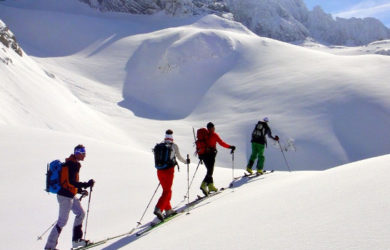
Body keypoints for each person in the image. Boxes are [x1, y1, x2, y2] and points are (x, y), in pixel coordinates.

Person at [45, 145, 95, 250]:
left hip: (69, 195)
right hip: (65, 196)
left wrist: (80, 190)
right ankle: (49, 247)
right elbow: (71, 182)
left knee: (80, 213)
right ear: (77, 153)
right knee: (62, 221)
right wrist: (86, 184)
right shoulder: (72, 164)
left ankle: (76, 241)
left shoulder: (73, 163)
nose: (85, 154)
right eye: (83, 152)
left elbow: (70, 183)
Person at [153, 129, 190, 221]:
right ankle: (159, 209)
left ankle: (168, 209)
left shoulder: (159, 145)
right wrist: (186, 162)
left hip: (159, 170)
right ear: (172, 136)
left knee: (166, 190)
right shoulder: (174, 146)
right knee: (167, 191)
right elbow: (179, 157)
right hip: (169, 170)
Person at [199, 122, 235, 196]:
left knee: (209, 170)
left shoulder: (204, 135)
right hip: (211, 155)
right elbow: (221, 143)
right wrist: (230, 147)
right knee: (210, 171)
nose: (214, 128)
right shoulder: (214, 135)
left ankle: (211, 186)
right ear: (212, 128)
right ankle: (203, 184)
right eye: (213, 127)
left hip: (203, 155)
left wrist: (200, 155)